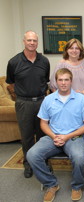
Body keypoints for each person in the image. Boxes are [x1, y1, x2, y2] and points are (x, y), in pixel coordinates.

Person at [27, 68, 84, 202]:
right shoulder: (48, 99)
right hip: (53, 136)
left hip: (74, 137)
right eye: (60, 80)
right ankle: (51, 184)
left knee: (79, 157)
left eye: (66, 80)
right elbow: (43, 124)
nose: (63, 83)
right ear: (56, 82)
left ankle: (77, 186)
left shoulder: (81, 99)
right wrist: (54, 136)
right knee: (31, 155)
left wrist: (67, 136)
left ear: (71, 81)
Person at [6, 30, 50, 178]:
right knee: (27, 136)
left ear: (37, 43)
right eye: (29, 40)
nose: (32, 43)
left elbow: (46, 81)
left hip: (41, 102)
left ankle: (43, 161)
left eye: (34, 41)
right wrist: (21, 95)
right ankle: (29, 163)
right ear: (24, 41)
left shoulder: (44, 61)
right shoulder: (14, 62)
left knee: (43, 135)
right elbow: (10, 83)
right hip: (23, 103)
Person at [50, 38, 84, 150]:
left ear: (81, 50)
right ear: (67, 50)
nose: (74, 50)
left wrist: (82, 94)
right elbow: (53, 86)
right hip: (67, 108)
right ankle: (72, 154)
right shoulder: (61, 65)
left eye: (77, 48)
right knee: (72, 136)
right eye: (71, 48)